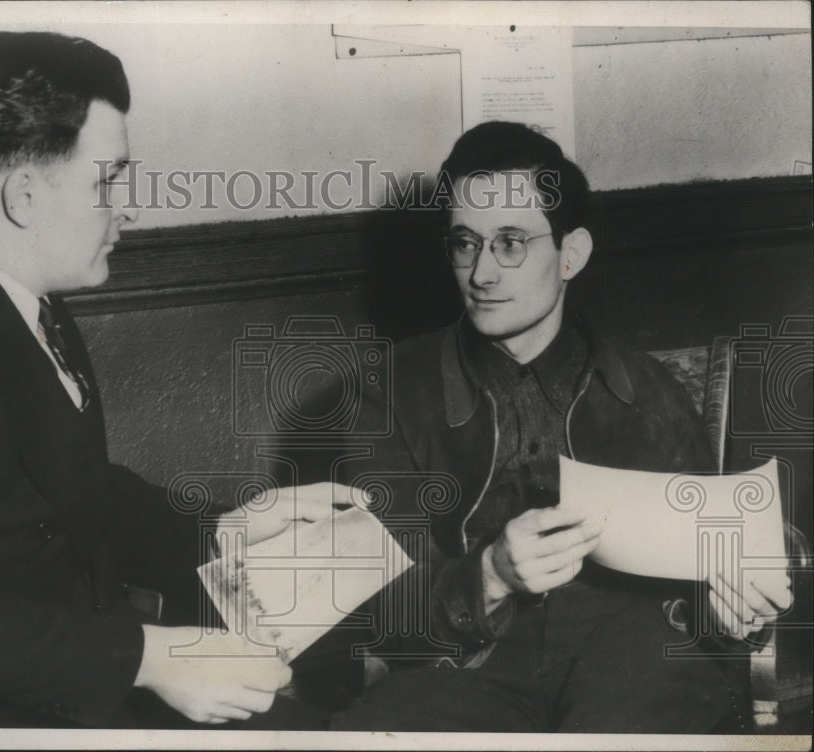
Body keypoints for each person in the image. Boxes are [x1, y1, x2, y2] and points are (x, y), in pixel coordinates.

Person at [0, 30, 354, 729]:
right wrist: (151, 658)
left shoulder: (4, 288)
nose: (127, 206)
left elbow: (63, 493)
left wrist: (225, 532)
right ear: (24, 195)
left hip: (63, 676)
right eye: (106, 179)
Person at [323, 121, 794, 732]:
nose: (483, 273)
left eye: (511, 242)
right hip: (469, 674)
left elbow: (709, 577)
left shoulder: (648, 390)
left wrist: (735, 608)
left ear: (570, 254)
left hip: (634, 664)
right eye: (465, 243)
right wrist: (490, 573)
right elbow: (375, 605)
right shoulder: (386, 391)